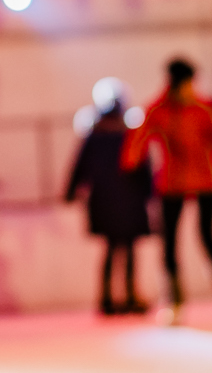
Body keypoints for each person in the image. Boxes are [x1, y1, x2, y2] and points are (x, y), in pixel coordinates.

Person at [123, 58, 212, 326]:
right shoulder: (160, 110)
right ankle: (174, 303)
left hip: (205, 181)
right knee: (169, 243)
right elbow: (138, 139)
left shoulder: (201, 110)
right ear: (178, 83)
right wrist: (129, 167)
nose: (192, 88)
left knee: (208, 238)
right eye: (189, 83)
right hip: (173, 184)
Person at [65, 102, 152, 316]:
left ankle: (107, 298)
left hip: (104, 201)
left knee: (111, 250)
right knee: (128, 250)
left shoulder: (94, 139)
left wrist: (71, 192)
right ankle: (129, 296)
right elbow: (143, 168)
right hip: (129, 201)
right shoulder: (129, 137)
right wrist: (149, 193)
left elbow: (79, 167)